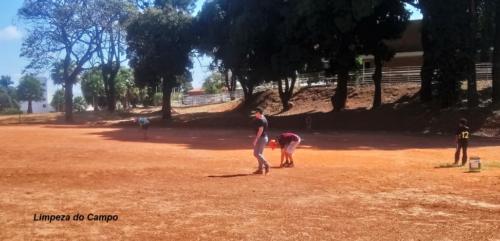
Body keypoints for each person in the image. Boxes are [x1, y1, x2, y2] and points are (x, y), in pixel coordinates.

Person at [252, 108, 270, 175]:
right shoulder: (262, 118)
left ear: (259, 113)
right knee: (259, 154)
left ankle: (266, 164)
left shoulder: (261, 120)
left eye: (256, 113)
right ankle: (260, 170)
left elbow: (260, 130)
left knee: (257, 154)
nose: (254, 114)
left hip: (261, 138)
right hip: (263, 138)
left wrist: (256, 139)